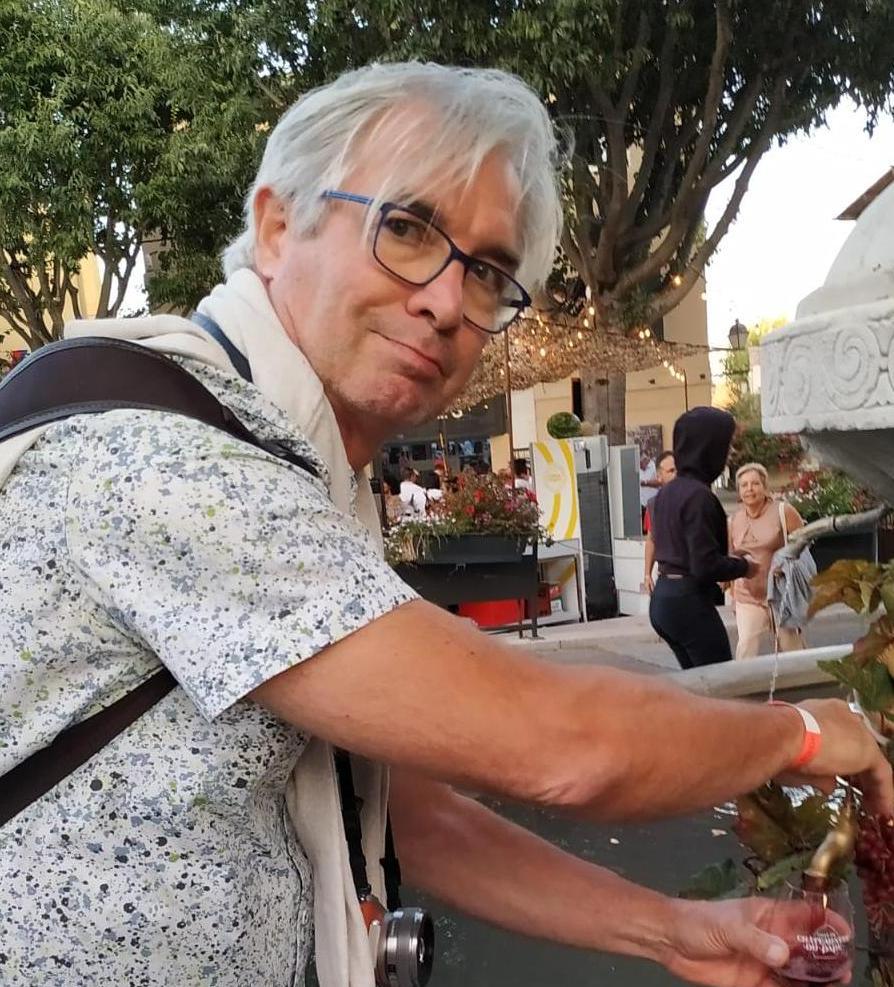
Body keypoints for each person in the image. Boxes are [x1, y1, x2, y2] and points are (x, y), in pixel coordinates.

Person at [0, 62, 889, 987]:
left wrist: (672, 930)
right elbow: (565, 744)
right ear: (275, 227)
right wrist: (804, 732)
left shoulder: (301, 470)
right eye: (407, 228)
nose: (445, 301)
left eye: (488, 272)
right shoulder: (166, 460)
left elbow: (406, 813)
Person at [650, 408, 759, 668]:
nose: (730, 453)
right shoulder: (699, 496)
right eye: (726, 446)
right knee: (722, 683)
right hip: (688, 602)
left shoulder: (666, 493)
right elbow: (704, 565)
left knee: (698, 683)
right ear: (708, 448)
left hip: (663, 598)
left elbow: (670, 545)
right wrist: (745, 567)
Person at [729, 462, 806, 660]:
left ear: (765, 487)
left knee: (792, 649)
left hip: (781, 593)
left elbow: (804, 543)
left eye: (755, 484)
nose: (750, 489)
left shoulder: (783, 511)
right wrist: (734, 596)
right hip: (748, 596)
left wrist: (786, 564)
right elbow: (731, 559)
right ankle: (743, 681)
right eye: (744, 485)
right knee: (745, 648)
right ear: (739, 491)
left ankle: (804, 677)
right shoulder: (734, 521)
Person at [642, 450, 676, 593]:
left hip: (693, 578)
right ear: (659, 476)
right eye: (671, 471)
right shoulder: (653, 506)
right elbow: (651, 540)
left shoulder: (694, 500)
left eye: (678, 470)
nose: (676, 475)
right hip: (666, 578)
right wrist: (647, 574)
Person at [639, 450, 660, 530]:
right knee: (643, 530)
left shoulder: (654, 466)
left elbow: (659, 482)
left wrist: (645, 482)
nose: (645, 462)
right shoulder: (636, 468)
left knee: (653, 528)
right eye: (642, 460)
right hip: (641, 505)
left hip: (653, 504)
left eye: (646, 460)